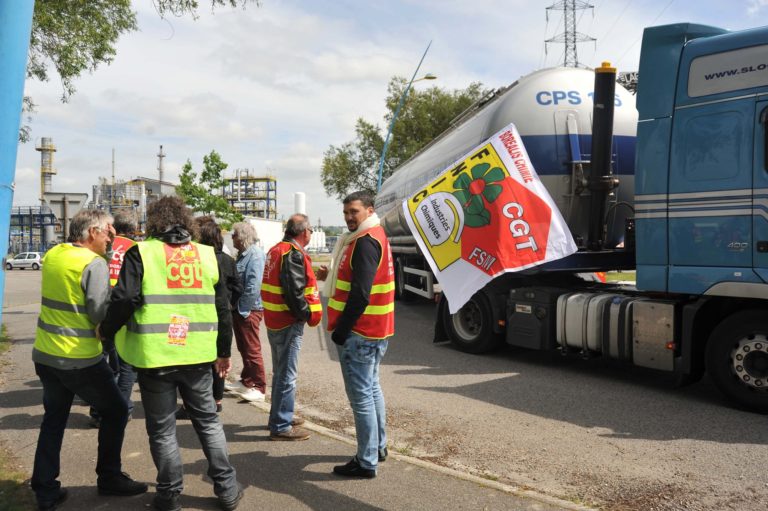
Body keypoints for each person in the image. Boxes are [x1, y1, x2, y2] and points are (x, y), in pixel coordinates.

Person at [98, 197, 241, 511]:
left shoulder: (142, 253)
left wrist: (106, 332)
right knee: (208, 423)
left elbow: (123, 299)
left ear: (155, 221)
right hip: (198, 356)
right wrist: (224, 351)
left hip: (156, 356)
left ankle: (169, 495)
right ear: (185, 220)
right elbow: (223, 309)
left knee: (162, 429)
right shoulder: (207, 256)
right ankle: (227, 489)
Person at [31, 209, 148, 511]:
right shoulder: (92, 264)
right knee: (117, 411)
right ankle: (109, 477)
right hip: (79, 358)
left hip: (46, 354)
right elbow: (99, 313)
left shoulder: (55, 253)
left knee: (54, 419)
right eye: (108, 230)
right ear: (91, 232)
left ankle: (45, 489)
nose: (112, 236)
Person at [325, 191, 395, 479]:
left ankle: (366, 461)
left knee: (361, 398)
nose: (349, 217)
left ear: (369, 210)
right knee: (372, 389)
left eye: (354, 212)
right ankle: (378, 447)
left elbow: (361, 294)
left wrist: (341, 331)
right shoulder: (374, 235)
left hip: (360, 332)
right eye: (345, 213)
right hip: (375, 330)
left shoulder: (364, 243)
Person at [261, 214, 326, 441]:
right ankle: (280, 425)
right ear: (304, 231)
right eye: (309, 230)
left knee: (281, 372)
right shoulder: (292, 253)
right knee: (287, 375)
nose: (310, 233)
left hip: (274, 319)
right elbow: (294, 293)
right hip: (288, 321)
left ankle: (279, 415)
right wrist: (306, 315)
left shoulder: (276, 249)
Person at [177, 216, 242, 418]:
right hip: (222, 315)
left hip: (197, 316)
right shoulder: (228, 260)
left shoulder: (194, 260)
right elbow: (238, 287)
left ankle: (191, 404)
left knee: (194, 361)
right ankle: (217, 400)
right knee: (219, 359)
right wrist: (230, 303)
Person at [90, 210, 138, 428]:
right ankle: (121, 409)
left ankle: (98, 411)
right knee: (126, 366)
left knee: (102, 364)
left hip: (101, 311)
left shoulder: (103, 242)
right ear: (135, 229)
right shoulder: (135, 249)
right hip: (124, 314)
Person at [226, 221, 267, 402]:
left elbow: (253, 286)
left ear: (242, 236)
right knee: (243, 347)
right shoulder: (243, 255)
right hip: (240, 309)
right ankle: (247, 380)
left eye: (234, 234)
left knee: (252, 349)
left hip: (249, 309)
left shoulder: (255, 255)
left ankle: (259, 386)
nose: (232, 238)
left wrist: (243, 309)